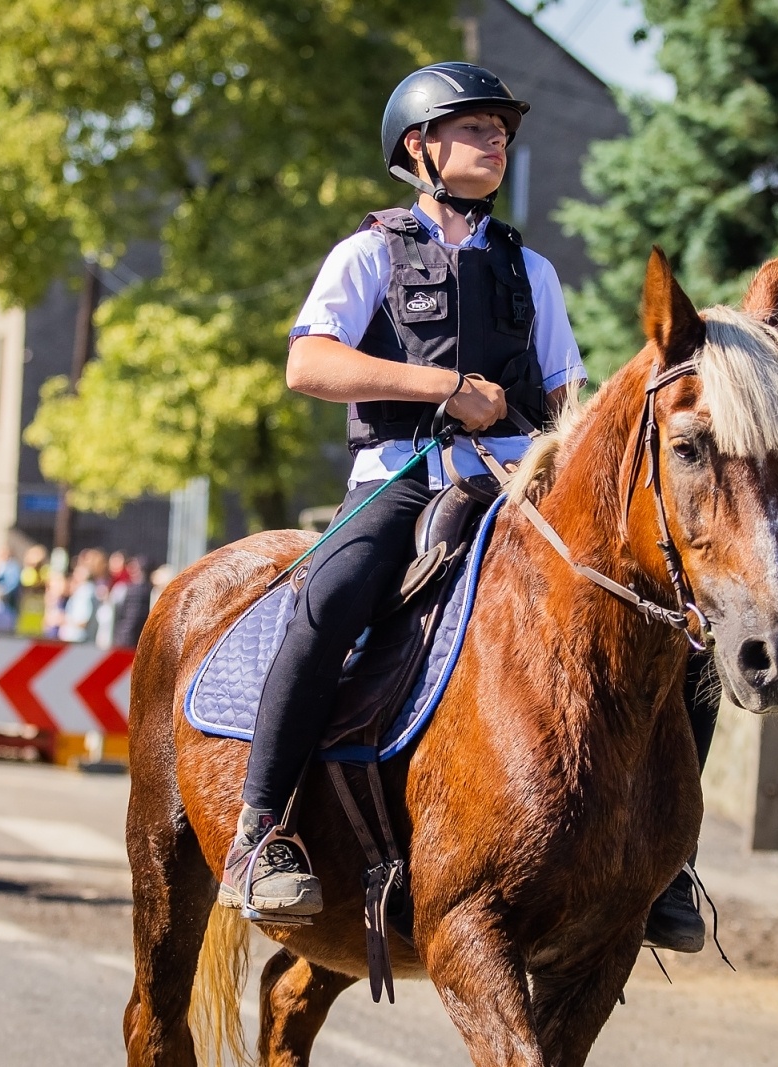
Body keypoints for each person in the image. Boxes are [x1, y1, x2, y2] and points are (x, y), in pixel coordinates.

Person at [218, 62, 587, 921]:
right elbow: (307, 363)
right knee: (329, 601)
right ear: (419, 146)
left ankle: (662, 857)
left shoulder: (532, 270)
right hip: (402, 481)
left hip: (514, 482)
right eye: (475, 127)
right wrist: (443, 386)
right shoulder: (368, 253)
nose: (497, 139)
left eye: (502, 129)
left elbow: (570, 393)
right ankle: (260, 830)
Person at [111, 556, 153, 649]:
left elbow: (133, 618)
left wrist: (122, 638)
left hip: (129, 641)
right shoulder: (148, 588)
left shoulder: (137, 590)